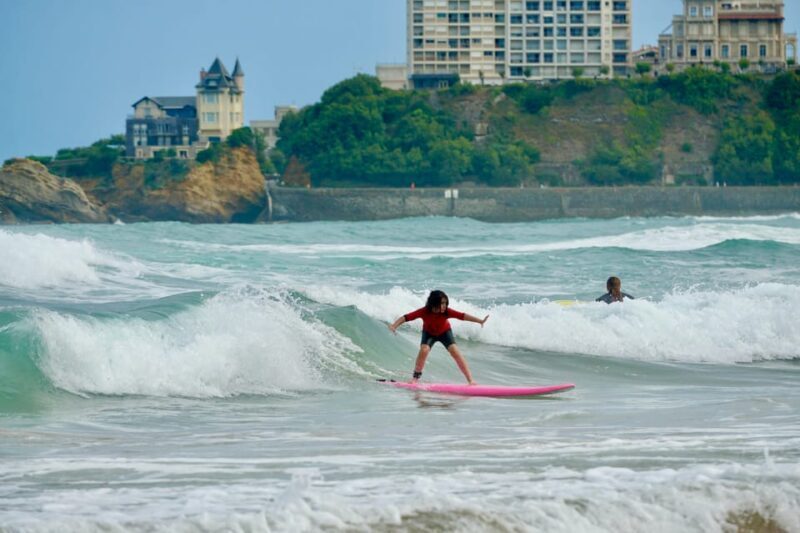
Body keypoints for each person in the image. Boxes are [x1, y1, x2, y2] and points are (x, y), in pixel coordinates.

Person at [389, 290, 489, 384]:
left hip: (444, 332)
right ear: (433, 303)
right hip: (429, 333)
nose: (444, 306)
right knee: (424, 350)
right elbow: (406, 317)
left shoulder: (447, 312)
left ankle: (470, 380)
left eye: (445, 303)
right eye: (441, 303)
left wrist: (480, 321)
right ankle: (415, 378)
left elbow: (462, 316)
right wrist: (394, 325)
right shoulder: (424, 311)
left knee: (455, 351)